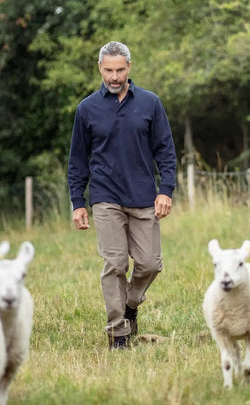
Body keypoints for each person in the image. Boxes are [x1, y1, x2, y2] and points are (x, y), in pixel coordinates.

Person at [68, 41, 177, 350]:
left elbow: (165, 151)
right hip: (105, 197)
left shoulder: (150, 103)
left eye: (119, 70)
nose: (114, 76)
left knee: (150, 264)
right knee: (115, 263)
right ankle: (118, 334)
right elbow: (77, 160)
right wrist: (78, 202)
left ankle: (130, 305)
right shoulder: (87, 109)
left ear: (129, 67)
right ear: (100, 69)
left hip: (144, 196)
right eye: (108, 70)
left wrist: (165, 190)